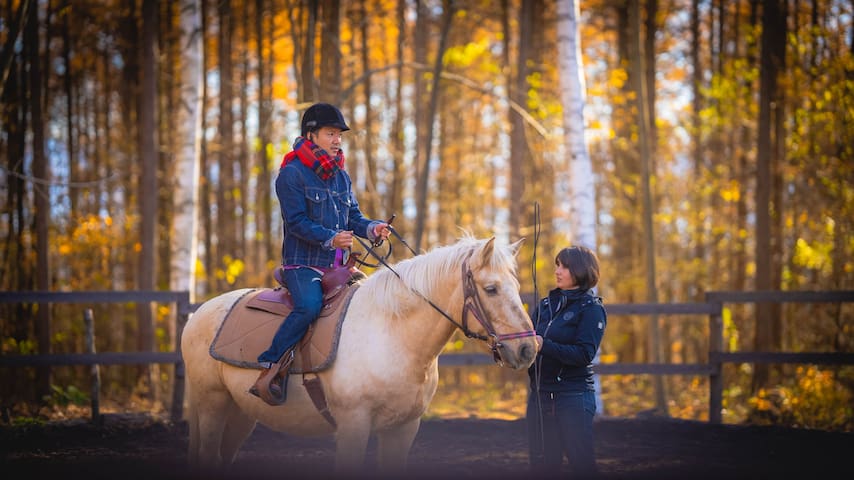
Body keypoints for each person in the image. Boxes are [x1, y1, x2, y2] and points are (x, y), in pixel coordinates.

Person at [250, 102, 390, 406]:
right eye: (331, 133)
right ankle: (270, 366)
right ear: (311, 135)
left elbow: (354, 217)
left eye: (339, 134)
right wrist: (330, 238)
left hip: (338, 266)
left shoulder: (341, 176)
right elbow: (296, 222)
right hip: (303, 265)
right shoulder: (291, 175)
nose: (337, 139)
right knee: (309, 307)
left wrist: (373, 228)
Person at [527, 245, 607, 476]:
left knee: (582, 467)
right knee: (542, 468)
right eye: (557, 265)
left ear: (581, 270)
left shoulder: (591, 309)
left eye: (564, 266)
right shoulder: (544, 306)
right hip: (539, 397)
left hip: (573, 398)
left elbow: (584, 354)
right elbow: (528, 346)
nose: (557, 271)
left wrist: (544, 344)